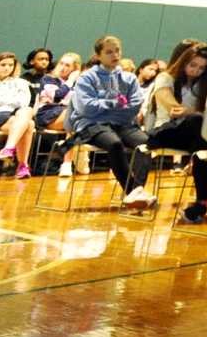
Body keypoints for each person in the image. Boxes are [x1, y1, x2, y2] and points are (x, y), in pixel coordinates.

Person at [66, 35, 155, 208]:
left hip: (123, 123)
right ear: (98, 55)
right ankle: (133, 191)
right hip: (91, 125)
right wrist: (115, 104)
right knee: (114, 143)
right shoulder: (87, 78)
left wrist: (108, 109)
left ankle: (135, 193)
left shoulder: (129, 79)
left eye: (117, 51)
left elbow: (134, 106)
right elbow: (86, 108)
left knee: (145, 143)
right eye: (109, 52)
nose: (115, 55)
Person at [145, 43, 207, 223]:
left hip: (194, 136)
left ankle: (200, 206)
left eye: (202, 68)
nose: (196, 71)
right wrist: (197, 112)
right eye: (193, 65)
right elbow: (174, 110)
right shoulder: (166, 78)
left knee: (202, 149)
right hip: (164, 132)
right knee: (197, 122)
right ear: (183, 62)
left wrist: (196, 113)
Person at [32, 53, 83, 176]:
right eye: (61, 63)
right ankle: (67, 162)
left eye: (67, 65)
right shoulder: (48, 79)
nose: (63, 67)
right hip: (47, 114)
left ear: (74, 69)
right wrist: (70, 81)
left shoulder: (79, 84)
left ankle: (68, 157)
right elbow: (57, 96)